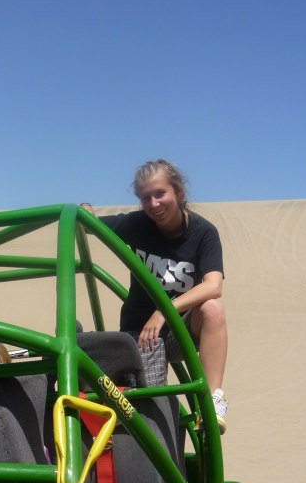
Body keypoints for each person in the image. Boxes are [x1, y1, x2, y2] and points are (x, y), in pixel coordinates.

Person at [82, 159, 229, 433]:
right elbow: (90, 226)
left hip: (178, 331)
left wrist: (164, 311)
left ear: (178, 192)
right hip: (141, 334)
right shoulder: (138, 224)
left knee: (213, 309)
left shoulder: (203, 233)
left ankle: (211, 401)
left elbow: (213, 286)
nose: (154, 204)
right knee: (149, 415)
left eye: (160, 194)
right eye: (145, 198)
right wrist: (86, 209)